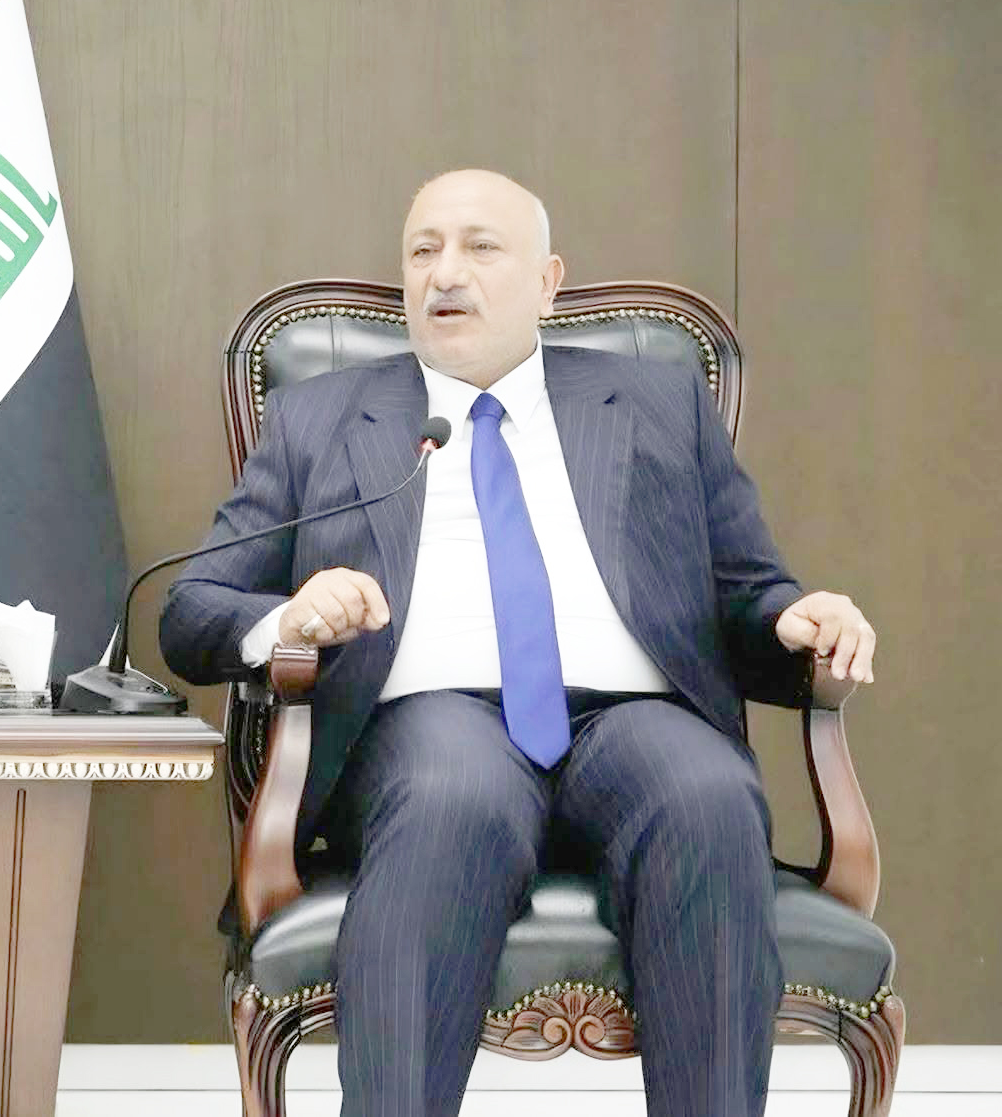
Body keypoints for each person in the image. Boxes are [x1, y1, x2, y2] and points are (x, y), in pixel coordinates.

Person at [160, 170, 876, 1117]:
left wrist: (795, 620)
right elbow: (192, 609)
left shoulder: (657, 403)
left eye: (480, 247)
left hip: (635, 719)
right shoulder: (322, 417)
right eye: (423, 250)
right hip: (429, 722)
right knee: (452, 793)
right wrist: (288, 617)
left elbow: (747, 592)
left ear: (547, 282)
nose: (444, 272)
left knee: (709, 794)